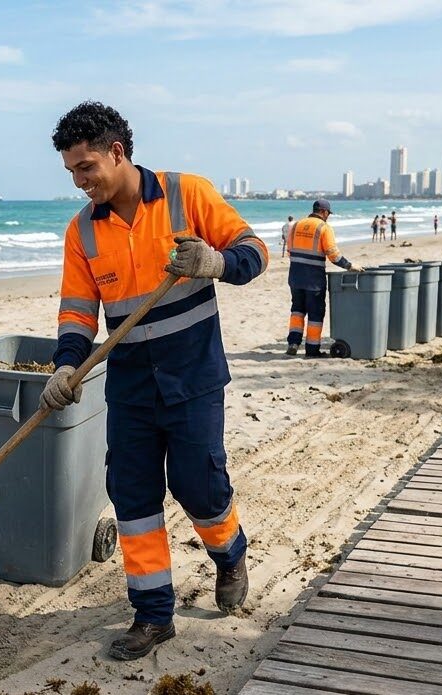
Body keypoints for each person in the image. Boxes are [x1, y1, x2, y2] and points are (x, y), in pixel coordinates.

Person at [44, 101, 266, 659]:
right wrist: (67, 365)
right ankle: (152, 615)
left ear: (117, 153)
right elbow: (76, 313)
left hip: (192, 378)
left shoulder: (186, 193)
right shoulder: (83, 232)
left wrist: (214, 263)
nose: (80, 181)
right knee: (133, 497)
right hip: (131, 388)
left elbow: (256, 252)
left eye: (86, 167)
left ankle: (230, 552)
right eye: (72, 171)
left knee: (201, 487)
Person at [286, 199, 362, 357]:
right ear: (325, 212)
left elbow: (290, 250)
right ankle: (312, 349)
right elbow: (332, 254)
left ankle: (293, 343)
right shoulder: (324, 228)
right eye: (328, 214)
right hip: (313, 280)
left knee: (297, 311)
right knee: (315, 314)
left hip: (295, 277)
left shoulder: (296, 226)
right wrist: (349, 266)